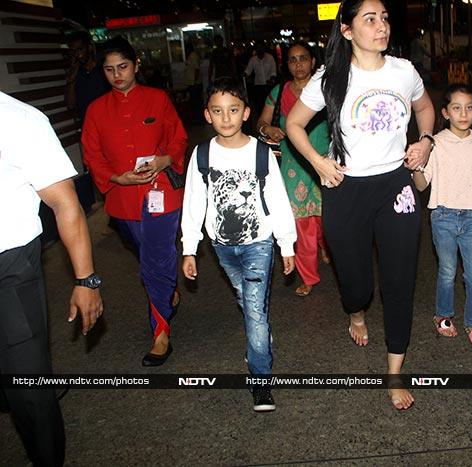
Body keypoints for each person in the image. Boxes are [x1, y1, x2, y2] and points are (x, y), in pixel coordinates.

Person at [286, 0, 435, 410]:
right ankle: (355, 312)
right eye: (370, 19)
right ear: (348, 30)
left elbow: (424, 108)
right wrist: (318, 163)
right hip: (347, 189)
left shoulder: (404, 71)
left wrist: (425, 141)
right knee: (356, 284)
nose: (381, 26)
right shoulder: (331, 78)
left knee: (400, 281)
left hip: (395, 185)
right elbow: (293, 124)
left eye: (384, 18)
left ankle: (395, 371)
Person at [181, 77, 296, 412]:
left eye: (233, 110)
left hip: (258, 242)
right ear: (207, 115)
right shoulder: (202, 155)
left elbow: (277, 199)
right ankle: (259, 334)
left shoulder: (262, 153)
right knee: (247, 300)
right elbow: (194, 202)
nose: (226, 117)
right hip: (221, 246)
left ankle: (260, 380)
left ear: (246, 112)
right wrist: (190, 248)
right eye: (218, 111)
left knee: (255, 311)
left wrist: (286, 244)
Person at [0, 91, 103, 466]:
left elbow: (65, 204)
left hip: (9, 269)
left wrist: (86, 280)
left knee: (28, 387)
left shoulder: (18, 119)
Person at [82, 36, 187, 367]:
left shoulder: (157, 99)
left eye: (123, 67)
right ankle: (167, 286)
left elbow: (178, 138)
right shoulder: (96, 110)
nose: (117, 75)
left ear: (137, 65)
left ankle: (160, 334)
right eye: (110, 69)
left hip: (162, 195)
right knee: (151, 255)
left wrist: (164, 160)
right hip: (123, 200)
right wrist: (115, 177)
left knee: (154, 261)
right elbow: (91, 154)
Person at [413, 84, 472, 348]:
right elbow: (420, 185)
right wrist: (417, 165)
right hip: (443, 216)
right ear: (445, 112)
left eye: (469, 107)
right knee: (448, 270)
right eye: (456, 108)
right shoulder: (436, 144)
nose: (463, 113)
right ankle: (444, 315)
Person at [256, 42, 331, 297]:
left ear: (312, 61)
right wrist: (268, 130)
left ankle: (326, 247)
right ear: (286, 65)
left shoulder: (325, 89)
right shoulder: (279, 92)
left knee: (325, 217)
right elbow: (261, 122)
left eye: (303, 58)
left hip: (325, 160)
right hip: (293, 165)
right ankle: (308, 275)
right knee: (301, 223)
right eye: (292, 60)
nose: (298, 64)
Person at [65, 30, 110, 122]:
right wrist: (71, 80)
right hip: (89, 125)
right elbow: (70, 105)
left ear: (89, 48)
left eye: (80, 49)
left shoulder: (104, 68)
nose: (77, 54)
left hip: (108, 122)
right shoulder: (77, 73)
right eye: (73, 51)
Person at [245, 45, 278, 123]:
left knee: (269, 105)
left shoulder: (270, 58)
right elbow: (248, 71)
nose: (260, 50)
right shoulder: (253, 60)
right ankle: (262, 123)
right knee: (259, 106)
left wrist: (272, 78)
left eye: (261, 48)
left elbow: (273, 70)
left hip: (268, 85)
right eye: (258, 49)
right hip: (258, 85)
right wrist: (244, 75)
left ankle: (272, 121)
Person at [184, 42, 203, 123]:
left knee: (197, 102)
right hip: (192, 83)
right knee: (195, 101)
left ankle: (199, 118)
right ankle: (197, 118)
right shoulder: (191, 56)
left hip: (195, 83)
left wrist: (195, 81)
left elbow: (196, 69)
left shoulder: (193, 56)